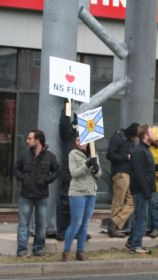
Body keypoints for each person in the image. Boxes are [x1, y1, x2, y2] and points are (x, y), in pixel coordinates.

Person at [14, 129, 59, 257]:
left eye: (30, 138)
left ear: (37, 140)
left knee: (40, 224)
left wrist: (46, 180)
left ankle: (38, 249)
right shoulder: (24, 155)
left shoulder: (50, 156)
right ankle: (21, 250)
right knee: (23, 224)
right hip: (26, 195)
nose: (27, 141)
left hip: (41, 196)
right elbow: (16, 170)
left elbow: (56, 171)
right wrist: (23, 178)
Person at [62, 136, 101, 261]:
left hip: (91, 192)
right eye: (78, 140)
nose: (81, 143)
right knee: (76, 223)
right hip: (78, 192)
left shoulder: (94, 154)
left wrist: (96, 168)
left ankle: (80, 252)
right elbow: (74, 173)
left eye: (83, 140)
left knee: (85, 225)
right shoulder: (73, 154)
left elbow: (99, 175)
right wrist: (87, 164)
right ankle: (66, 251)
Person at [126, 124, 156, 254]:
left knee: (139, 217)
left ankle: (131, 241)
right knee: (142, 218)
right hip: (140, 191)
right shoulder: (139, 151)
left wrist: (157, 167)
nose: (153, 134)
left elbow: (147, 169)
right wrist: (146, 191)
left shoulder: (145, 149)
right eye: (151, 132)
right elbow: (139, 174)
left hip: (143, 190)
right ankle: (136, 245)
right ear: (145, 135)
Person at [106, 122, 140, 238]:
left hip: (130, 174)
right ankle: (113, 229)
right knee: (118, 202)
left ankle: (114, 222)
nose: (136, 138)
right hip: (120, 173)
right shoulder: (118, 137)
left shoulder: (131, 141)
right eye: (136, 135)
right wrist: (126, 157)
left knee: (132, 202)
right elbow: (109, 155)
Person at [56, 106, 79, 241]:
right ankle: (63, 230)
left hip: (81, 178)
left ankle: (76, 230)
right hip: (68, 175)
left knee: (79, 206)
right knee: (65, 204)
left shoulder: (85, 138)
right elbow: (64, 122)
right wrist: (68, 102)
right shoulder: (68, 134)